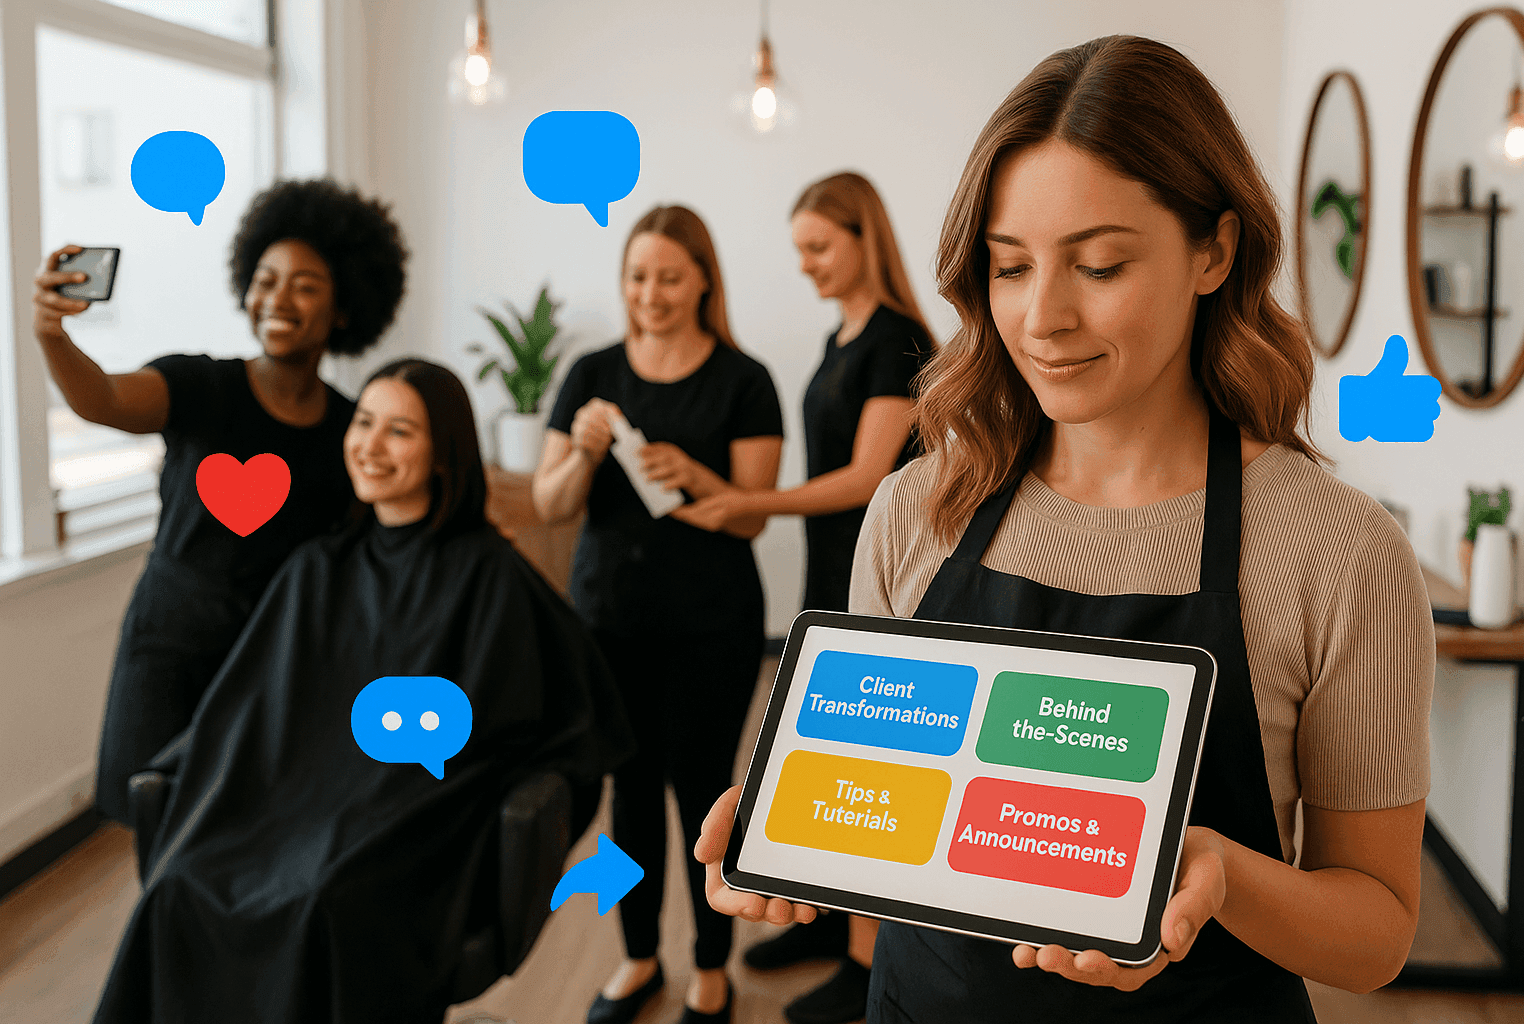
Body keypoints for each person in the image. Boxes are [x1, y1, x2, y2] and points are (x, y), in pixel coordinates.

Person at [697, 34, 1434, 1024]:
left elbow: (1379, 932)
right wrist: (790, 831)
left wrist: (1225, 873)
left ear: (1214, 251)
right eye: (1009, 267)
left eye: (1098, 264)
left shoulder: (1338, 554)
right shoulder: (916, 509)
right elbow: (885, 808)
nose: (1041, 315)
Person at [91, 358, 635, 1024]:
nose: (371, 446)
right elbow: (253, 712)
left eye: (400, 431)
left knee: (326, 898)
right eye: (365, 423)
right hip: (290, 808)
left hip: (411, 821)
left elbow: (536, 724)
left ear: (443, 453)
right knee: (178, 883)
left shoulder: (489, 575)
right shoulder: (317, 567)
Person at [31, 178, 408, 825]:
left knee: (248, 831)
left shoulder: (351, 430)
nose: (277, 298)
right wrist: (54, 338)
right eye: (265, 278)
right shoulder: (200, 384)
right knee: (158, 824)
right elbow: (104, 400)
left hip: (272, 662)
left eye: (305, 284)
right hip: (168, 647)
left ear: (344, 308)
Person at [675, 172, 932, 1024]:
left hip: (880, 575)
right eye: (800, 252)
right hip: (834, 570)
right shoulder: (840, 338)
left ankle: (868, 963)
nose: (808, 266)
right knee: (828, 756)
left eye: (820, 247)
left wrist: (750, 502)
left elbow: (866, 479)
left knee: (869, 769)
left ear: (866, 238)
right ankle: (831, 929)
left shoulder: (896, 338)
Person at [534, 205, 784, 1024]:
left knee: (703, 792)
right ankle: (639, 958)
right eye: (638, 277)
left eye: (670, 277)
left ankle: (713, 966)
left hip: (711, 624)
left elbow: (750, 515)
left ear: (703, 280)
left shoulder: (744, 381)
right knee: (626, 795)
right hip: (608, 619)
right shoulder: (590, 375)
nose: (651, 293)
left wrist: (697, 476)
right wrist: (581, 451)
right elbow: (549, 501)